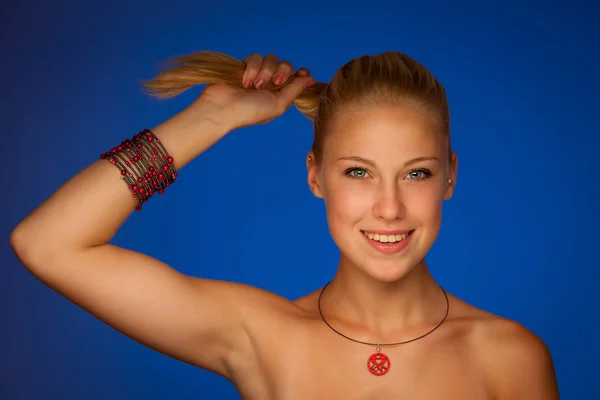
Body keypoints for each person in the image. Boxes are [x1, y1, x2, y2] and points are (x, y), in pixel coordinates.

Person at [10, 50, 559, 399]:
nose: (389, 208)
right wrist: (211, 118)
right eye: (358, 173)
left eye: (415, 173)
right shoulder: (261, 336)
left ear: (450, 178)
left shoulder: (509, 356)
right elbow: (48, 243)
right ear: (315, 176)